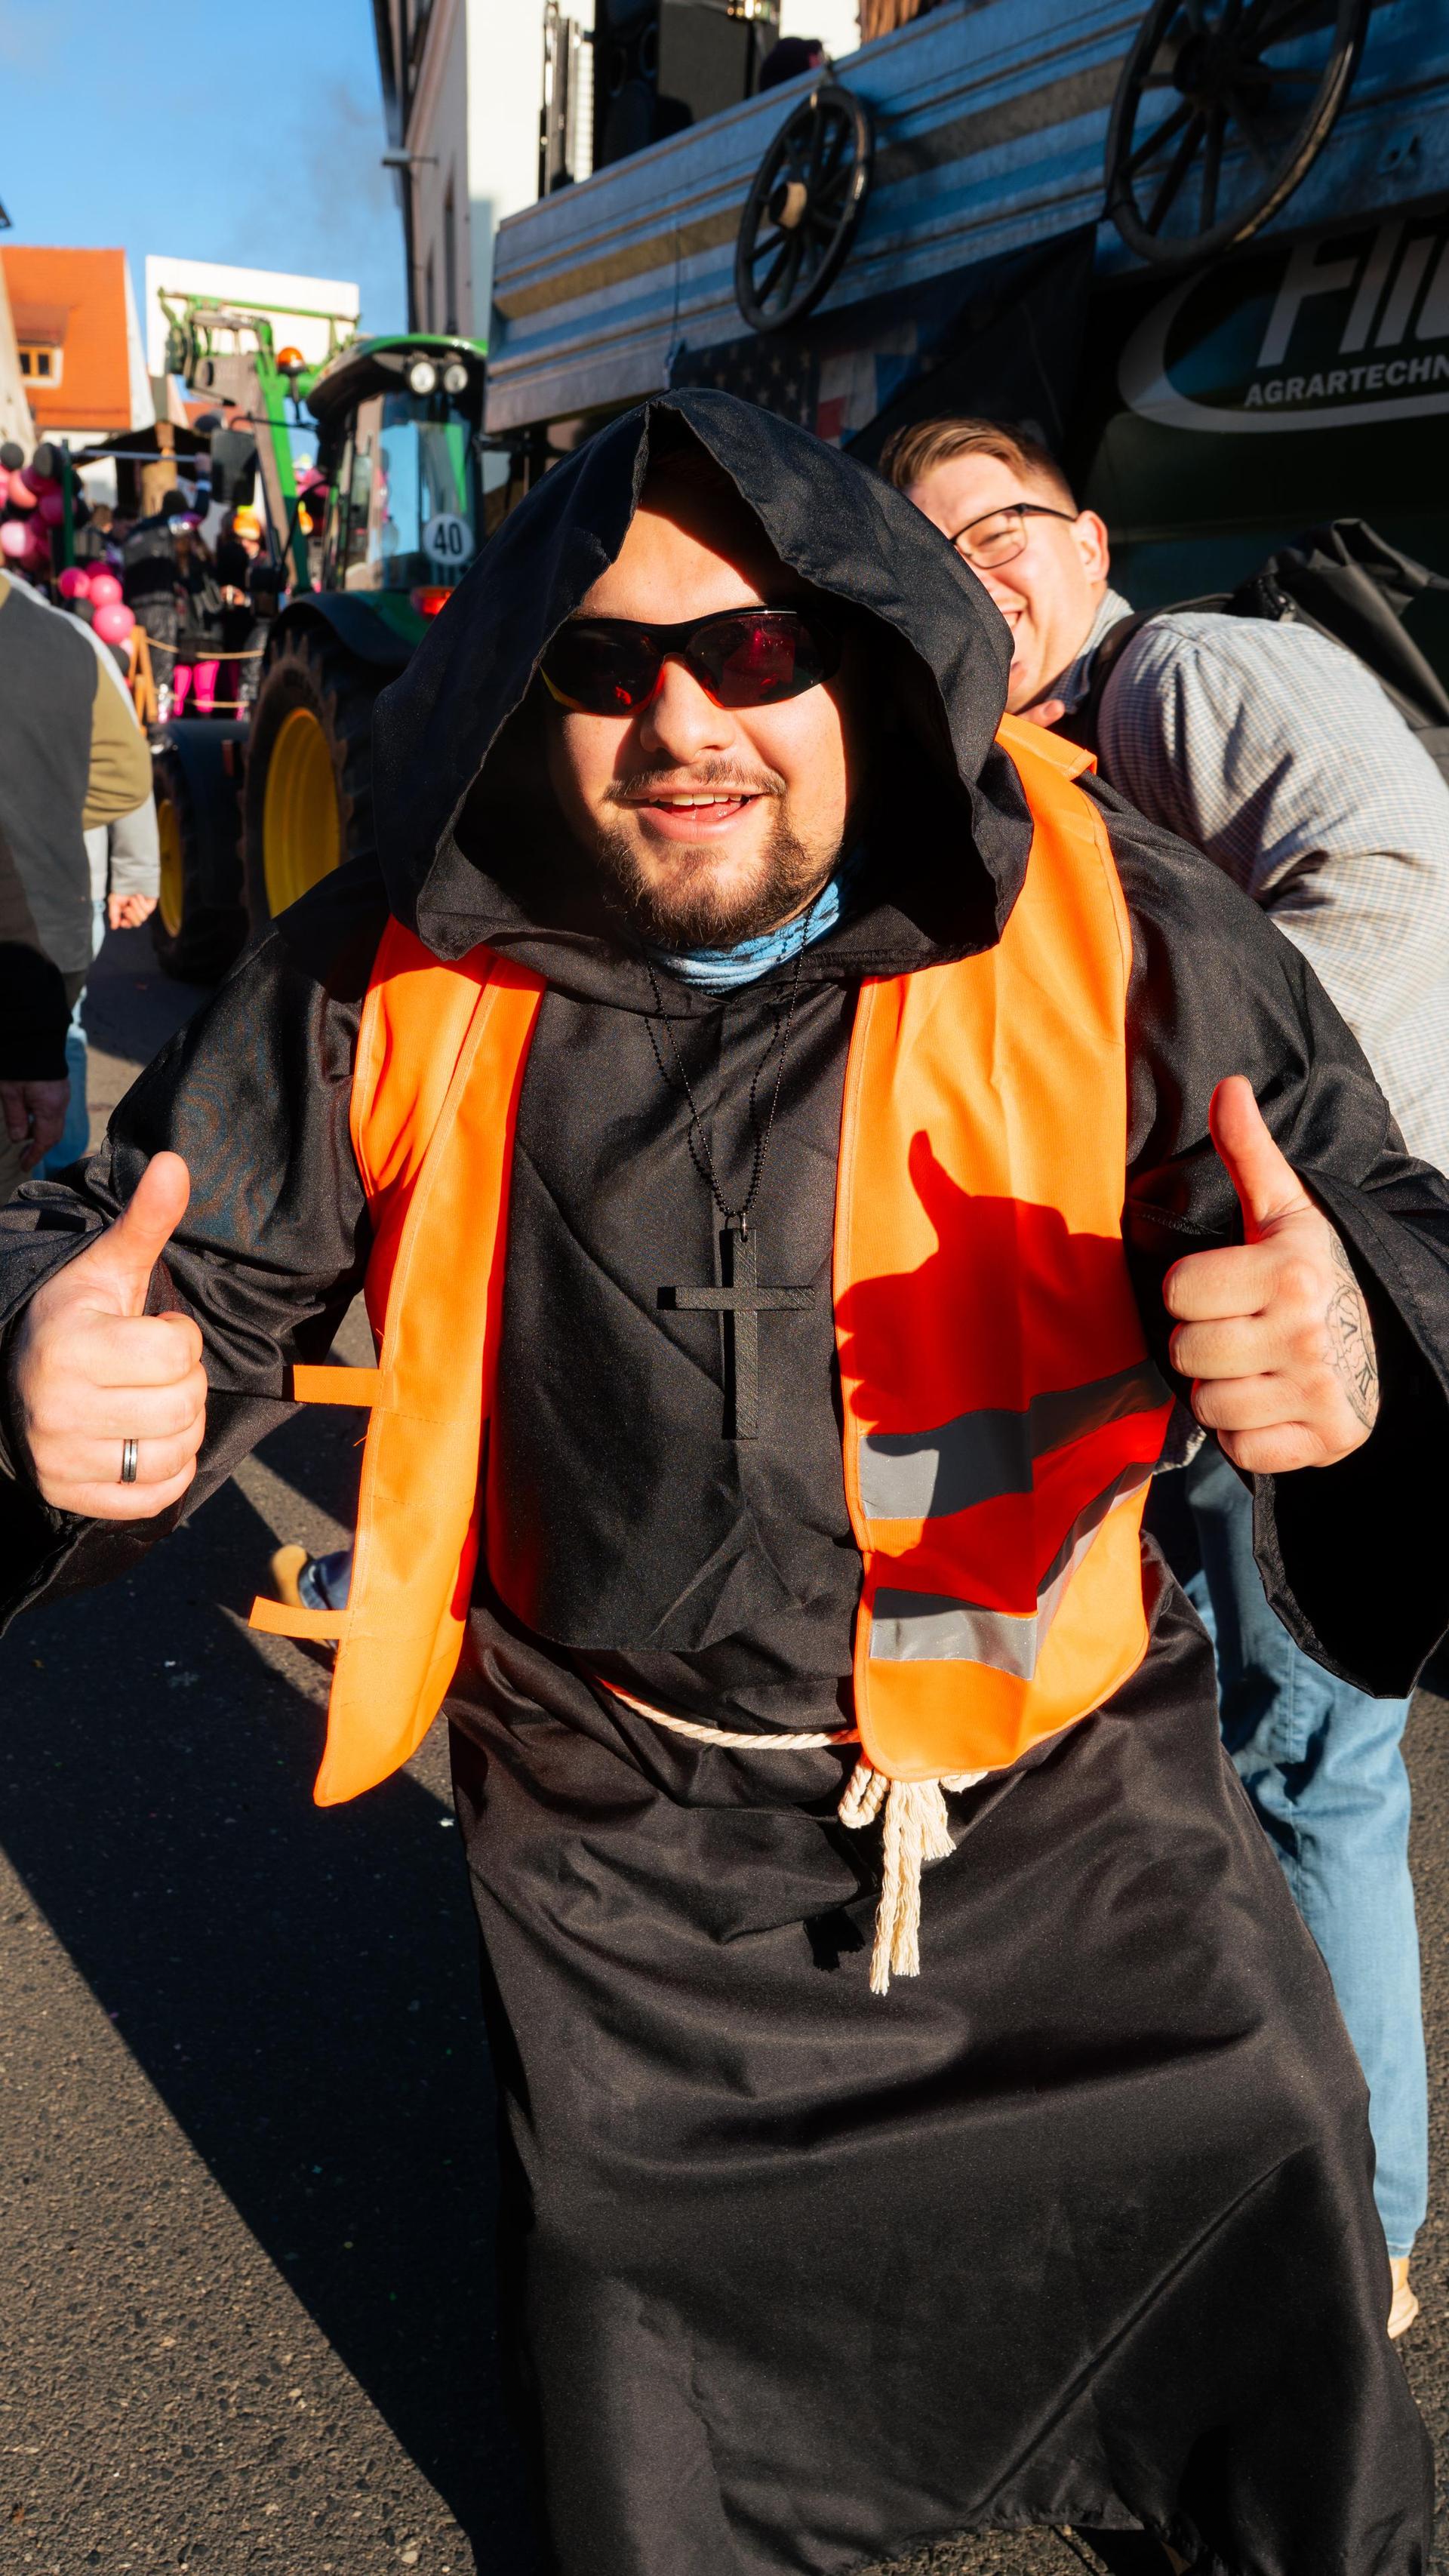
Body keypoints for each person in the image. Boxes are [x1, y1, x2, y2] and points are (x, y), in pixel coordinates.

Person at [1, 390, 1444, 2576]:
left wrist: (1360, 1347)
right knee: (649, 2415)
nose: (684, 719)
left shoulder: (1118, 921)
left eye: (758, 649)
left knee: (1282, 2197)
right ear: (520, 683)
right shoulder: (388, 964)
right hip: (625, 1855)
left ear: (865, 651)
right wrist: (55, 1358)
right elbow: (154, 1239)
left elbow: (1375, 1211)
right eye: (601, 661)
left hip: (1076, 1814)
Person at [890, 411, 1449, 2337]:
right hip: (1206, 1324)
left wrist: (1205, 1173)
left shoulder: (1184, 673)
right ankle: (1271, 2177)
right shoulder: (1016, 758)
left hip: (1307, 1303)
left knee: (1312, 1761)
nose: (974, 567)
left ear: (1092, 537)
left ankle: (1352, 2235)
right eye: (927, 546)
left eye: (1003, 525)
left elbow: (1388, 891)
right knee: (1234, 1758)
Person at [0, 561, 152, 1201]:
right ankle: (54, 1192)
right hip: (62, 889)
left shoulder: (61, 637)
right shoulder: (65, 638)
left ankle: (54, 1184)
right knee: (64, 1037)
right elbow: (127, 775)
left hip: (58, 897)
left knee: (63, 1038)